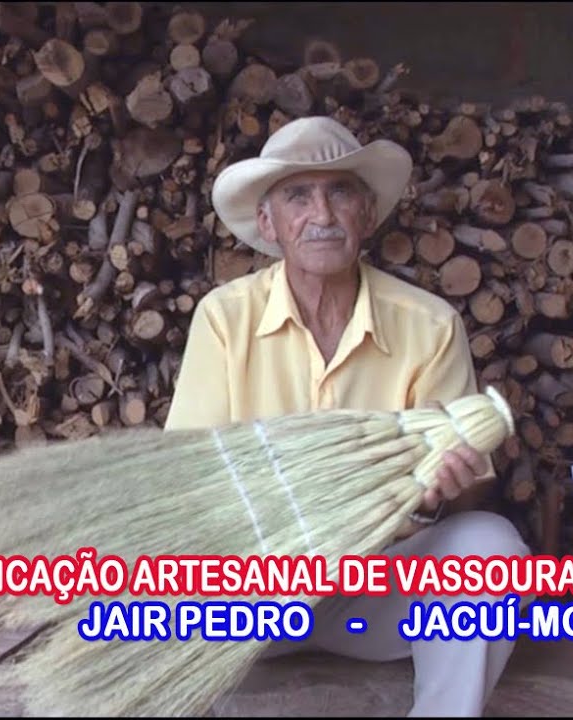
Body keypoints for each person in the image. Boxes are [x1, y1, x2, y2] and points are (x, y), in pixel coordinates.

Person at [164, 116, 530, 717]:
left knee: (491, 550)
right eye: (298, 196)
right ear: (268, 223)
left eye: (339, 192)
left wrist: (435, 497)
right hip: (247, 602)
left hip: (373, 594)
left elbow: (465, 495)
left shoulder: (428, 323)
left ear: (367, 213)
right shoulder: (224, 319)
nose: (322, 214)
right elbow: (189, 476)